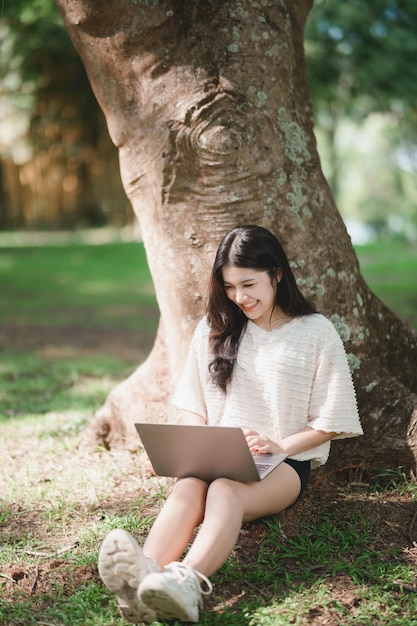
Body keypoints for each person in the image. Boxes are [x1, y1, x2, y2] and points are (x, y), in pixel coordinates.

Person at [98, 225, 363, 624]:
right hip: (217, 453)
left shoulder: (315, 333)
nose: (240, 297)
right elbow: (193, 404)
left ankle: (185, 582)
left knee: (225, 491)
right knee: (188, 487)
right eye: (230, 286)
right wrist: (194, 443)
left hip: (284, 463)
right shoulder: (215, 328)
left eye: (249, 284)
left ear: (276, 274)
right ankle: (142, 580)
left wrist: (280, 445)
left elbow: (332, 419)